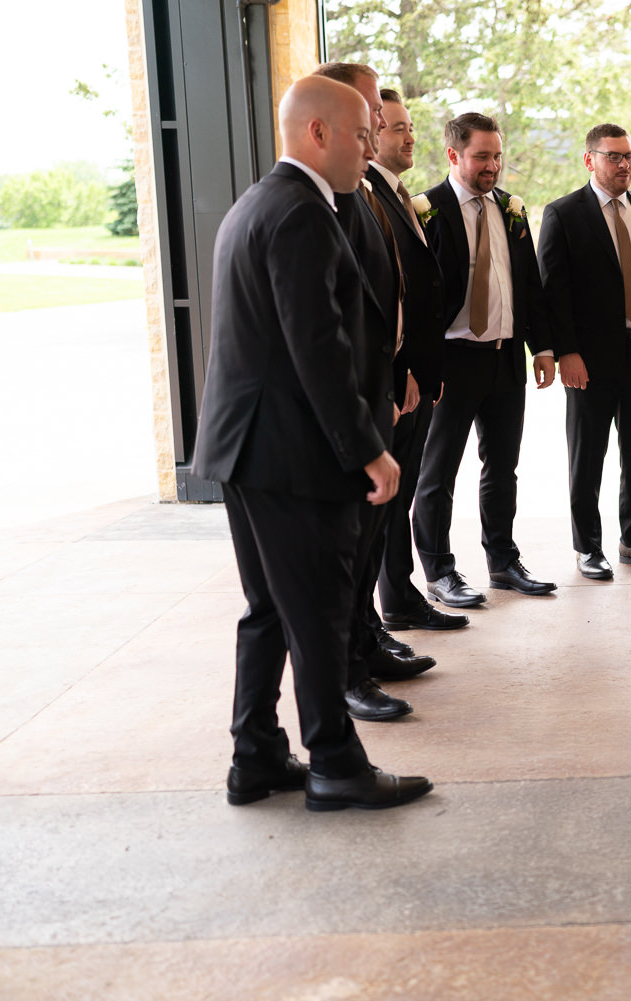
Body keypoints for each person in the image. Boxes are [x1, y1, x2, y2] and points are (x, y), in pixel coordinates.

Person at [193, 74, 431, 812]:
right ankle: (333, 761)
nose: (372, 146)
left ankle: (255, 754)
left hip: (249, 450)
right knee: (319, 611)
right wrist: (368, 447)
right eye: (362, 134)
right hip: (290, 454)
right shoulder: (299, 213)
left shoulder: (260, 203)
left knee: (269, 607)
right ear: (317, 133)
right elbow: (316, 347)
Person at [312, 62, 430, 725]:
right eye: (369, 113)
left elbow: (391, 295)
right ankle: (351, 671)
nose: (379, 125)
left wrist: (403, 367)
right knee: (351, 552)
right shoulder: (333, 198)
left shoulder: (368, 190)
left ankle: (370, 637)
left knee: (374, 535)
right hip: (359, 402)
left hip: (388, 384)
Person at [412, 112, 557, 608]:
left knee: (503, 467)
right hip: (451, 361)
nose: (492, 165)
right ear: (454, 155)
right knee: (439, 470)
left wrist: (541, 347)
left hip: (504, 359)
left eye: (497, 155)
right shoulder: (426, 210)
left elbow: (528, 285)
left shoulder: (511, 210)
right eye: (481, 156)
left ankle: (502, 562)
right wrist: (422, 367)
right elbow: (416, 299)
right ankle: (439, 571)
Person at [537, 123, 631, 580]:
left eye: (629, 157)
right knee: (588, 453)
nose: (624, 165)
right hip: (590, 357)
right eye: (613, 156)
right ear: (590, 160)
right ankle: (587, 546)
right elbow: (553, 291)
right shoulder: (563, 214)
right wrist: (566, 351)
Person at [367, 89, 470, 635]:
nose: (408, 136)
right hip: (398, 376)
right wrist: (404, 369)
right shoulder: (368, 197)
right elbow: (386, 296)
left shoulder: (398, 194)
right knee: (388, 500)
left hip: (419, 372)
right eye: (395, 127)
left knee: (401, 493)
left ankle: (401, 597)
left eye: (409, 127)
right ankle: (391, 607)